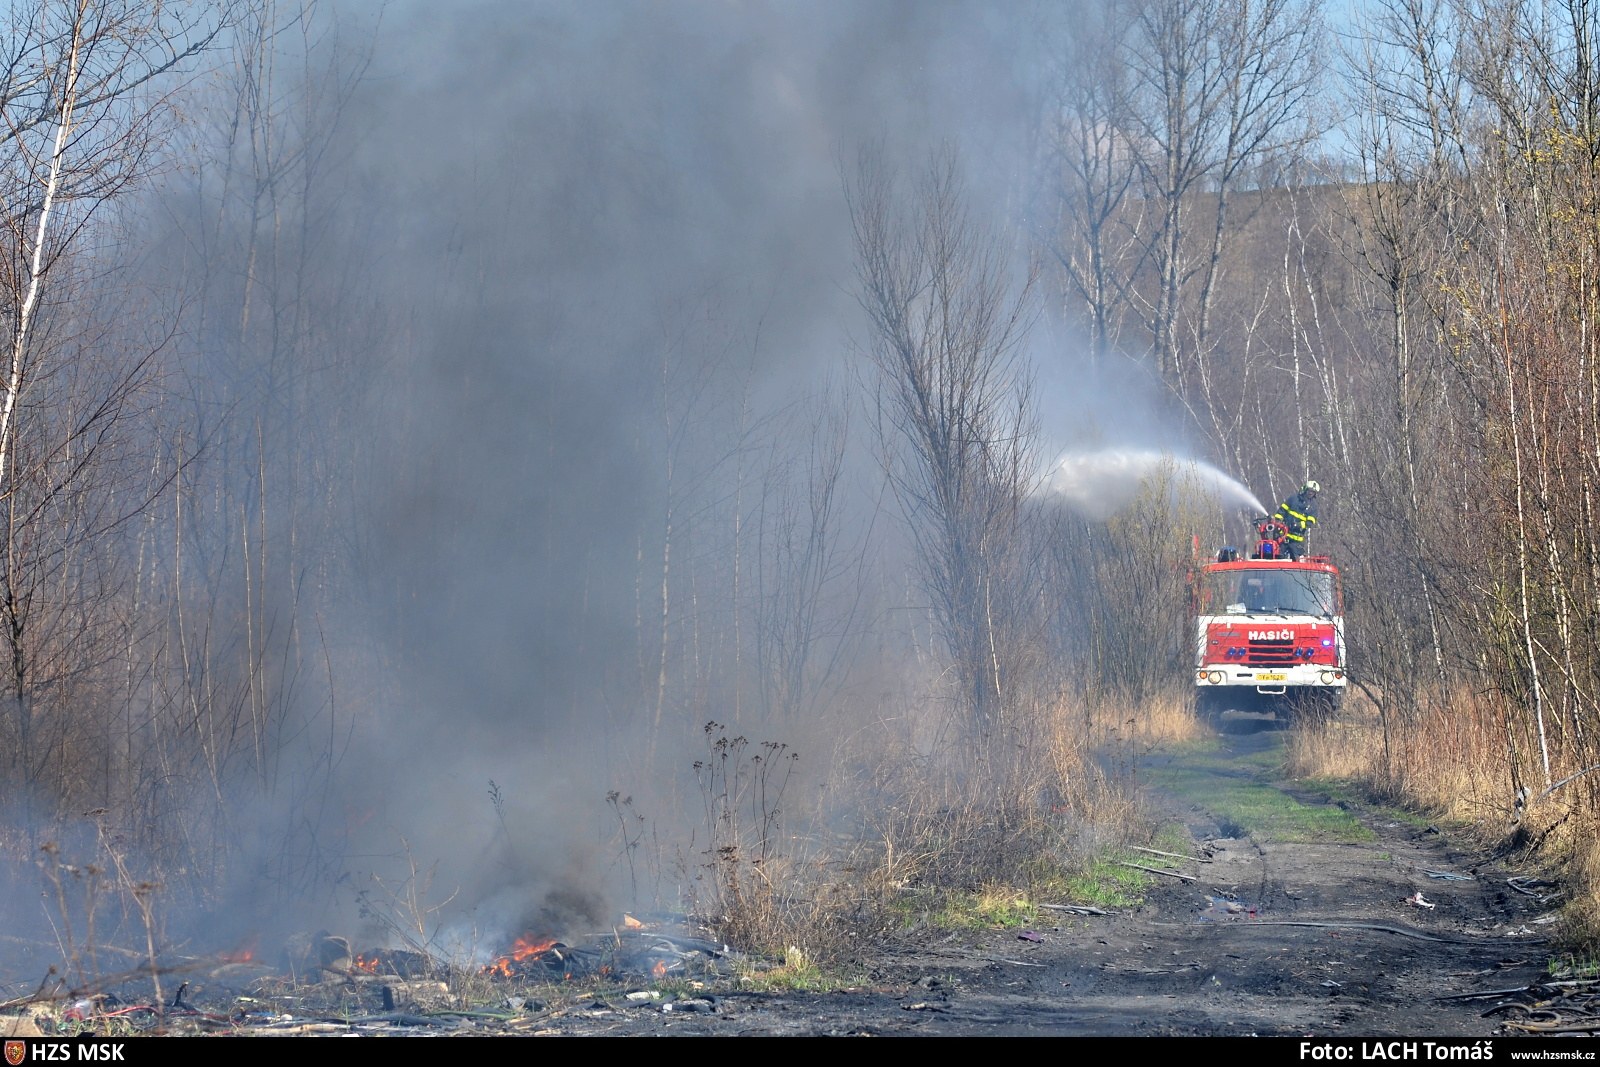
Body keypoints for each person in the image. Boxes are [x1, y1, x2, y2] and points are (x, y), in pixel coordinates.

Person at [1273, 480, 1320, 561]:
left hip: (1297, 540)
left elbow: (1310, 523)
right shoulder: (1293, 499)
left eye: (1313, 492)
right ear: (1305, 489)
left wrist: (1297, 525)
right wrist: (1278, 521)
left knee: (1296, 561)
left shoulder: (1313, 507)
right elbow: (1281, 511)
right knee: (1277, 557)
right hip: (1283, 536)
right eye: (1309, 490)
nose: (1310, 493)